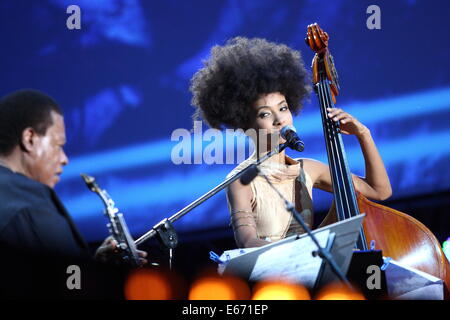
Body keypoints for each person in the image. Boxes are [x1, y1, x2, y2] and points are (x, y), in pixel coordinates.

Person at [190, 37, 392, 248]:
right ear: (242, 121)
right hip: (272, 277)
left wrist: (363, 134)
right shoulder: (241, 180)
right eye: (265, 114)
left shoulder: (308, 169)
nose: (280, 120)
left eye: (283, 108)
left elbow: (379, 191)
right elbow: (248, 242)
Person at [0, 89, 148, 263]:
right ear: (30, 138)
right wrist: (95, 275)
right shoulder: (31, 203)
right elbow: (72, 286)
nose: (64, 159)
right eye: (58, 145)